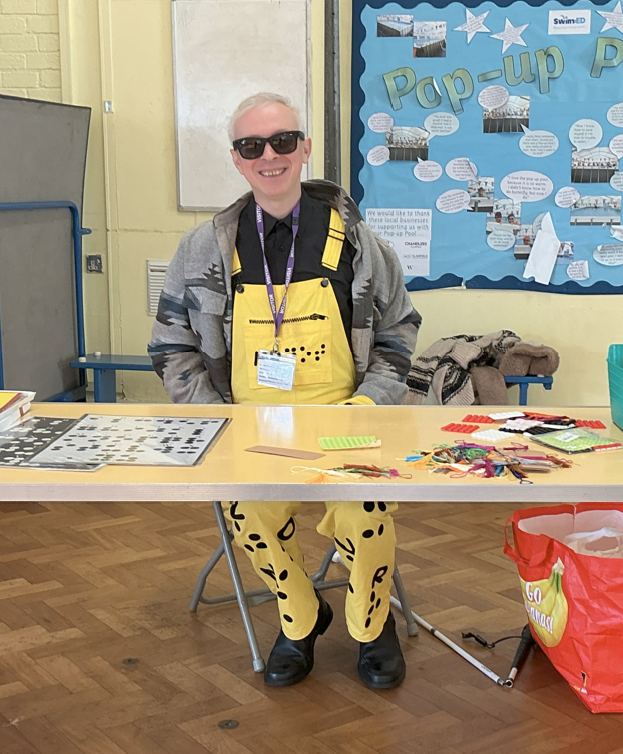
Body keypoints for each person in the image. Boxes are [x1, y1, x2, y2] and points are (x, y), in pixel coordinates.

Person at [149, 92, 421, 690]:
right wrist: (216, 419)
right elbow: (170, 345)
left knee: (367, 514)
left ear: (303, 148)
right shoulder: (203, 248)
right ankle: (300, 617)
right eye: (252, 147)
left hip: (346, 422)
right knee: (245, 512)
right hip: (251, 428)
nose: (268, 156)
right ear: (237, 160)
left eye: (280, 142)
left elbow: (401, 326)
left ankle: (372, 628)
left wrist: (369, 404)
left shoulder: (358, 242)